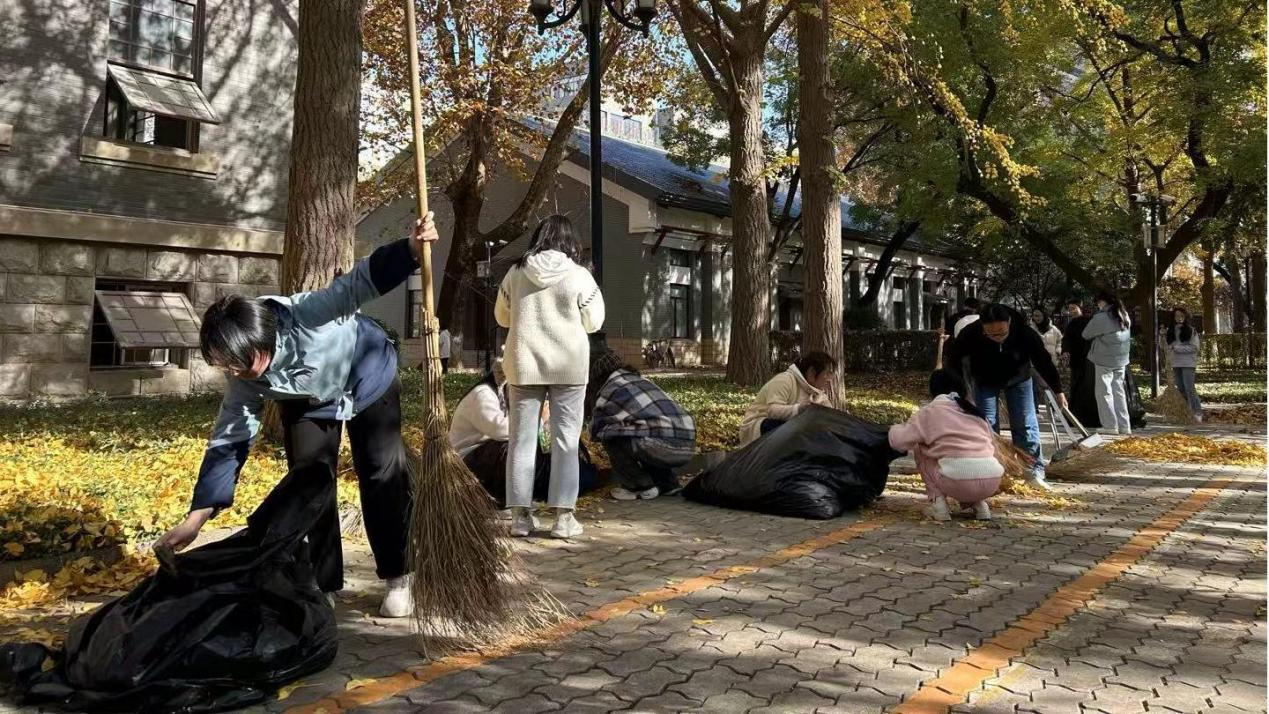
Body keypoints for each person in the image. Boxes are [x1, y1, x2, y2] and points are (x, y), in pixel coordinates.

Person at [156, 213, 441, 619]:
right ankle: (323, 583)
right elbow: (229, 440)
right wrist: (197, 517)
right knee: (310, 481)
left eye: (239, 362)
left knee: (381, 471)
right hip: (310, 400)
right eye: (226, 366)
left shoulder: (309, 313)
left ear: (260, 341)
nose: (235, 373)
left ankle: (398, 574)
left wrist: (411, 248)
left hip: (366, 375)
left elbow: (359, 282)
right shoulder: (245, 380)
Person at [495, 214, 605, 539]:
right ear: (570, 240)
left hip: (523, 365)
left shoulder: (516, 273)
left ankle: (520, 517)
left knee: (521, 441)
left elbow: (502, 317)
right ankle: (563, 518)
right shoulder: (580, 275)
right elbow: (595, 321)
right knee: (565, 441)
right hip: (568, 367)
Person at [944, 304, 1066, 490]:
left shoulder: (1024, 333)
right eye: (991, 334)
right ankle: (992, 470)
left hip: (1019, 379)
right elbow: (953, 362)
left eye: (1002, 333)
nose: (998, 338)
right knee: (986, 424)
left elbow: (1043, 361)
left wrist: (1058, 390)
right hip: (984, 379)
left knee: (1025, 422)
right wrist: (962, 392)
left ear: (1009, 322)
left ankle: (1032, 470)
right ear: (982, 327)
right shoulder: (970, 333)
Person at [449, 361, 598, 506]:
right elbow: (501, 430)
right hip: (470, 460)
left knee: (541, 454)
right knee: (518, 450)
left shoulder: (504, 393)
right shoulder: (482, 395)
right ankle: (511, 500)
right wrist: (539, 418)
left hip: (490, 452)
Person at [889, 370, 1003, 522]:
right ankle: (980, 505)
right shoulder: (975, 411)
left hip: (956, 482)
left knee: (920, 449)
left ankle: (939, 506)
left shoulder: (930, 411)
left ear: (933, 389)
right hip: (992, 482)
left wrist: (891, 429)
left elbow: (899, 441)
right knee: (974, 454)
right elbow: (992, 445)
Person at [587, 349, 697, 501]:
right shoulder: (641, 380)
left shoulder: (609, 389)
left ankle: (638, 486)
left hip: (660, 447)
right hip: (688, 446)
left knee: (612, 436)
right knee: (645, 432)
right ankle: (668, 484)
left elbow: (595, 429)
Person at [739, 351, 837, 446]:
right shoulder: (785, 380)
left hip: (790, 427)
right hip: (759, 426)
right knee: (799, 433)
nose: (829, 380)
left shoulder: (818, 393)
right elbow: (772, 411)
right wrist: (799, 409)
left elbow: (831, 417)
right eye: (827, 373)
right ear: (812, 372)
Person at [1083, 291, 1133, 435]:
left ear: (1103, 302)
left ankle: (1110, 425)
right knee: (1119, 391)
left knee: (1104, 392)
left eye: (1098, 302)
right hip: (1121, 358)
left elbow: (1086, 334)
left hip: (1103, 358)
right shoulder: (1124, 315)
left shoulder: (1101, 317)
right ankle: (1125, 425)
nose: (1098, 305)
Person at [1164, 307, 1204, 421]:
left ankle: (1197, 412)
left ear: (1186, 317)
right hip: (1175, 363)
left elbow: (1195, 347)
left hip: (1188, 363)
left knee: (1189, 388)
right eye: (1177, 316)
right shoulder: (1170, 331)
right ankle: (1185, 412)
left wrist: (1177, 348)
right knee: (1180, 388)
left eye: (1182, 316)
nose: (1179, 318)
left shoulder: (1191, 330)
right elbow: (1165, 347)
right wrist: (1162, 337)